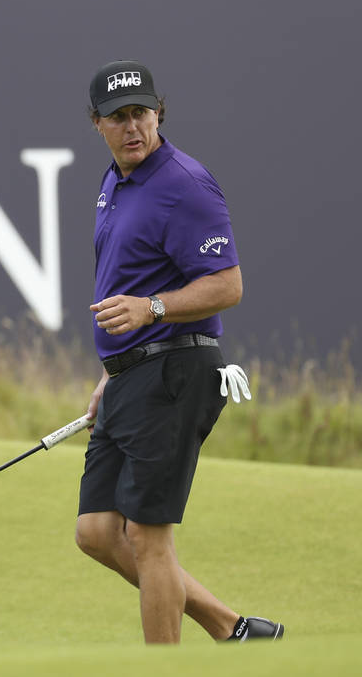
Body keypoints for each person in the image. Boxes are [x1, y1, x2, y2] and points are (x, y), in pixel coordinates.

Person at [76, 60, 284, 644]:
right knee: (96, 531)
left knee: (147, 537)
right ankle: (231, 629)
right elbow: (122, 278)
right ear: (97, 124)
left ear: (159, 112)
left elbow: (228, 285)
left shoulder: (184, 183)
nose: (133, 127)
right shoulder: (113, 182)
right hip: (130, 373)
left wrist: (154, 309)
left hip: (175, 371)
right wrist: (108, 372)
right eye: (118, 117)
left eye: (142, 113)